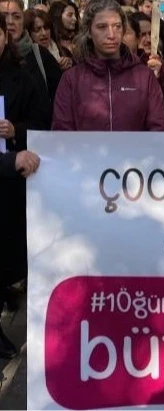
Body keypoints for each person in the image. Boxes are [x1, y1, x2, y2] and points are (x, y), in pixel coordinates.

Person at [0, 12, 46, 359]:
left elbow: (44, 124)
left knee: (6, 262)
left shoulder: (24, 78)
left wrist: (17, 131)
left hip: (10, 190)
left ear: (6, 36)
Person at [52, 0, 164, 131]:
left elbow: (157, 128)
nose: (111, 35)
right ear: (89, 31)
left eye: (117, 26)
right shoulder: (71, 80)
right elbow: (62, 130)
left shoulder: (145, 77)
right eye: (102, 27)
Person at [0, 0, 62, 103]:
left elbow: (60, 100)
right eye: (4, 16)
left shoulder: (41, 55)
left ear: (23, 21)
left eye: (17, 17)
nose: (10, 21)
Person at [124, 13, 164, 95]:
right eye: (143, 34)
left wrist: (158, 77)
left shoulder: (160, 64)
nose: (148, 39)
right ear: (137, 37)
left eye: (150, 34)